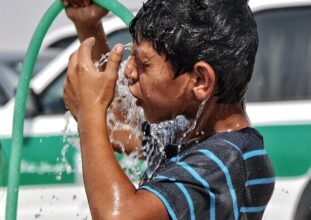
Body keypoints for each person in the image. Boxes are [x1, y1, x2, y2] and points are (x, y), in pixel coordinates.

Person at [62, 0, 275, 219]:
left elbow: (119, 217)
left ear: (200, 80)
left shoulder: (226, 161)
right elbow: (116, 129)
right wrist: (89, 26)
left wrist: (89, 111)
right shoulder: (187, 132)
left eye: (143, 63)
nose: (129, 71)